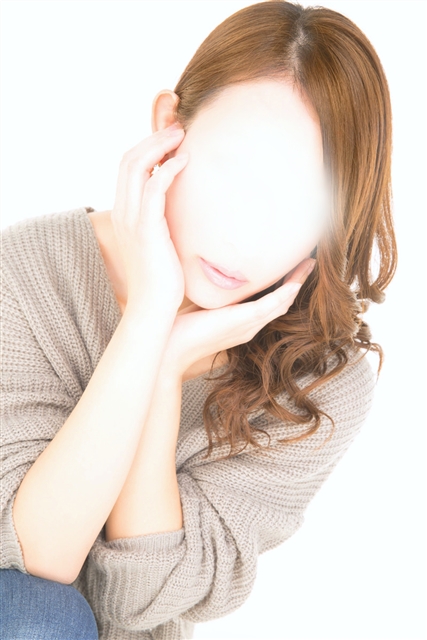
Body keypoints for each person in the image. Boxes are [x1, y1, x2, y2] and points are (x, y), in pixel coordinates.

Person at [0, 1, 397, 639]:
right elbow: (36, 562)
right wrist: (148, 318)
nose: (247, 236)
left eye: (301, 203)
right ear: (169, 129)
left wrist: (165, 369)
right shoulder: (26, 270)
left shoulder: (322, 379)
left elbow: (140, 603)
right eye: (235, 172)